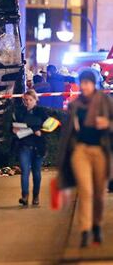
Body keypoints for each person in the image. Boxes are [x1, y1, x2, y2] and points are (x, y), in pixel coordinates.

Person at [57, 69, 113, 248]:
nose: (85, 86)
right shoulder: (75, 104)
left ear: (94, 83)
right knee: (86, 191)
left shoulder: (106, 101)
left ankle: (96, 224)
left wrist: (108, 124)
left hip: (101, 151)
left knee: (98, 193)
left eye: (88, 82)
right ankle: (85, 230)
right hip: (80, 151)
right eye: (82, 82)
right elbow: (68, 132)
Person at [12, 89, 48, 206]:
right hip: (24, 145)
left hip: (38, 146)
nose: (28, 102)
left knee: (36, 173)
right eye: (25, 100)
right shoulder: (19, 112)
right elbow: (13, 126)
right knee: (25, 172)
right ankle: (25, 196)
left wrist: (40, 131)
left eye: (30, 100)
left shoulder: (41, 112)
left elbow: (48, 127)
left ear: (35, 100)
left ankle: (36, 196)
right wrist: (15, 130)